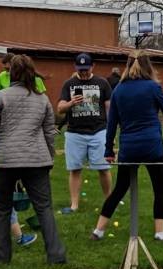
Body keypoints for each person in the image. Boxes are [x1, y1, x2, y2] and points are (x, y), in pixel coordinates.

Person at [92, 50, 163, 242]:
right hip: (152, 146)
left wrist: (109, 150)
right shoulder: (153, 87)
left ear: (127, 66)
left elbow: (112, 123)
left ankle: (98, 231)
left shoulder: (118, 90)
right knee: (159, 188)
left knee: (119, 189)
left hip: (129, 148)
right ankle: (160, 233)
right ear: (148, 66)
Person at [0, 54, 66, 265]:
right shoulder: (42, 99)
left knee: (2, 208)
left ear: (11, 73)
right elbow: (50, 132)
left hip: (4, 160)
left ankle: (3, 257)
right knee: (44, 207)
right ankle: (56, 255)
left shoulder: (0, 97)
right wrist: (49, 156)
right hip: (36, 160)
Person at [57, 53, 114, 215]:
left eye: (86, 69)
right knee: (75, 169)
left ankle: (109, 201)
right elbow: (60, 108)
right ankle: (74, 204)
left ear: (93, 66)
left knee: (103, 168)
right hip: (75, 133)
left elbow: (110, 107)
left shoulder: (102, 83)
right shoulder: (69, 84)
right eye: (80, 69)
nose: (83, 73)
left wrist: (111, 132)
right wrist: (71, 103)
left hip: (99, 131)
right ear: (75, 67)